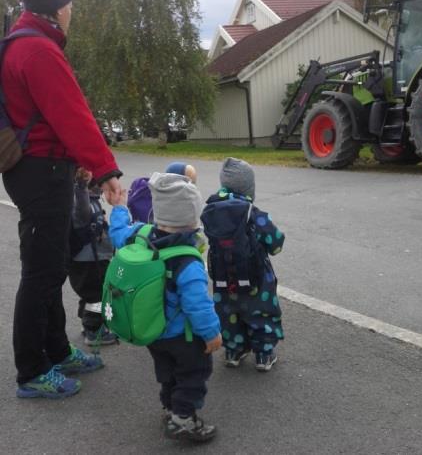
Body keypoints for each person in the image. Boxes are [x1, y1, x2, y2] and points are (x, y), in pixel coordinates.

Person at [2, 0, 123, 399]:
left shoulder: (24, 42)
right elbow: (71, 114)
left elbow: (54, 119)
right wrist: (106, 169)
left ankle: (56, 350)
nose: (72, 12)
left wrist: (79, 164)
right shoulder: (37, 49)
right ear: (56, 7)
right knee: (41, 273)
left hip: (43, 169)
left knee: (50, 268)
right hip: (40, 173)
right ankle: (32, 370)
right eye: (69, 4)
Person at [109, 172, 221, 443]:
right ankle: (183, 419)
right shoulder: (187, 261)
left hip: (152, 331)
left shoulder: (140, 234)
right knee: (193, 373)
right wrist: (212, 333)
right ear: (192, 220)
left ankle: (170, 406)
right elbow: (198, 306)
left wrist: (119, 208)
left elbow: (116, 235)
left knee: (167, 371)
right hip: (183, 336)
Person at [201, 157, 285, 372]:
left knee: (229, 314)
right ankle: (264, 355)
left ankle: (234, 351)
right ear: (249, 187)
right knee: (260, 313)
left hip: (223, 278)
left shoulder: (211, 211)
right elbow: (276, 244)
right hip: (257, 280)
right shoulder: (253, 213)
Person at [68, 167, 117, 346]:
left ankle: (88, 324)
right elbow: (82, 214)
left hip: (95, 257)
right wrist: (81, 186)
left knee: (91, 294)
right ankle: (94, 331)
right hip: (87, 259)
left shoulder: (93, 198)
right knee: (95, 296)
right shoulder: (79, 197)